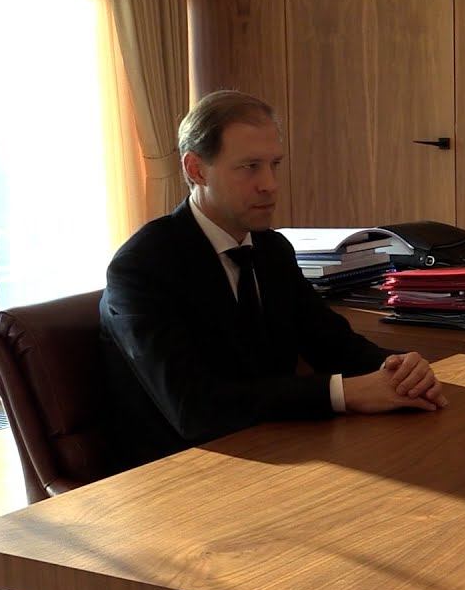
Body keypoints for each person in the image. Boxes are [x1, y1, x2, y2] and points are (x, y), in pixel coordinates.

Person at [100, 90, 447, 471]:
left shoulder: (272, 248)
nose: (270, 184)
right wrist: (343, 393)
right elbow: (194, 408)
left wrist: (398, 368)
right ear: (197, 170)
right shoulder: (142, 266)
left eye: (274, 165)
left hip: (277, 446)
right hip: (181, 472)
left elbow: (331, 343)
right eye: (250, 167)